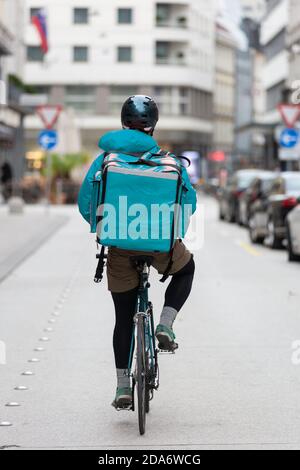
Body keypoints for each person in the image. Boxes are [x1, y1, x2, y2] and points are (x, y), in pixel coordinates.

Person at [78, 95, 197, 408]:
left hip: (120, 246)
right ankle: (165, 324)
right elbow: (189, 204)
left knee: (122, 318)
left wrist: (103, 226)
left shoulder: (106, 161)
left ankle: (122, 388)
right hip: (162, 246)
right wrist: (171, 234)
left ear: (123, 123)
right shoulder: (169, 162)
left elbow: (86, 202)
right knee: (187, 269)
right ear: (153, 125)